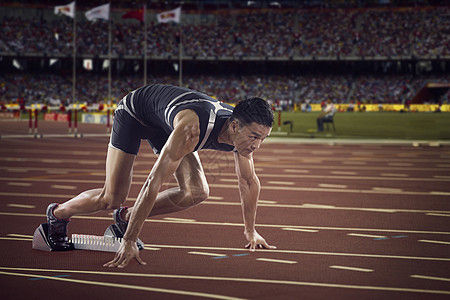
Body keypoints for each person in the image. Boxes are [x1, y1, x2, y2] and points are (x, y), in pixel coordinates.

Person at [45, 84, 276, 268]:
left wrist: (250, 231)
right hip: (135, 115)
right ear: (235, 126)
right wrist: (129, 241)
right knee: (112, 197)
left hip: (167, 124)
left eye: (263, 139)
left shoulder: (241, 138)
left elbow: (248, 181)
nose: (258, 145)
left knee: (197, 191)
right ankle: (58, 215)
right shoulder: (193, 129)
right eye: (255, 137)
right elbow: (153, 182)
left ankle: (125, 219)